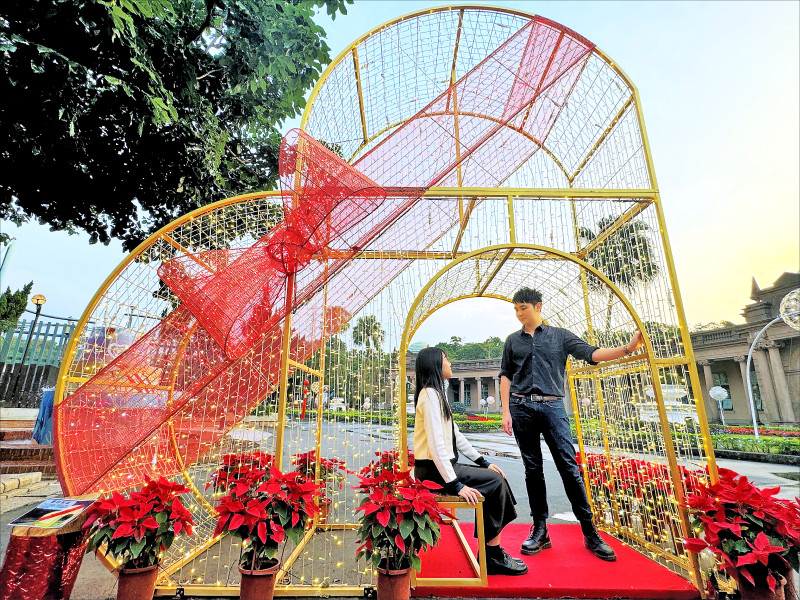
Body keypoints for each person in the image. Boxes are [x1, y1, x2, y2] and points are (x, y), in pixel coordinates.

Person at [499, 287, 644, 562]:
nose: (519, 313)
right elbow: (506, 375)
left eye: (524, 308)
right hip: (520, 407)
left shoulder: (560, 336)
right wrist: (505, 410)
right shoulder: (511, 341)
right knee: (532, 469)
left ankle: (590, 532)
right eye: (516, 309)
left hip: (553, 406)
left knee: (569, 467)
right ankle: (540, 529)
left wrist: (628, 348)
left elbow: (592, 353)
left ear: (538, 307)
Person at [412, 347, 528, 576]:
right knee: (494, 484)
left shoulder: (436, 394)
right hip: (434, 472)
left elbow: (457, 437)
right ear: (436, 364)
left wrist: (484, 463)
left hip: (441, 468)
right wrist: (456, 485)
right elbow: (435, 446)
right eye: (446, 359)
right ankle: (492, 556)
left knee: (495, 476)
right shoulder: (430, 395)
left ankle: (491, 552)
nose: (450, 362)